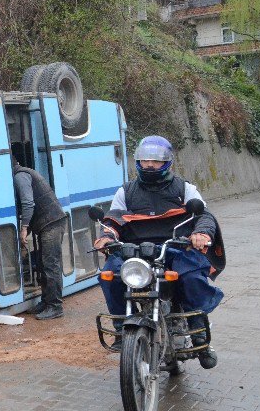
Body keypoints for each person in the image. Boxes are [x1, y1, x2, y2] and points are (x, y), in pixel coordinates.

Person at [93, 135, 224, 368]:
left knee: (192, 276)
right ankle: (122, 330)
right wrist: (107, 235)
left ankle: (198, 334)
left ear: (167, 162)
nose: (150, 165)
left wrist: (201, 233)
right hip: (133, 250)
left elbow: (203, 215)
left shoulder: (185, 188)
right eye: (145, 160)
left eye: (155, 161)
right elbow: (112, 220)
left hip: (175, 247)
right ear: (138, 162)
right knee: (109, 275)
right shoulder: (126, 191)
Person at [13, 161, 67, 320]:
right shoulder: (26, 171)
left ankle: (55, 306)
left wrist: (24, 228)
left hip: (51, 222)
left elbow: (28, 203)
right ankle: (46, 301)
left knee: (51, 265)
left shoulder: (20, 176)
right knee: (44, 264)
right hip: (49, 222)